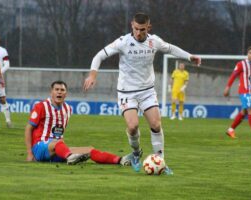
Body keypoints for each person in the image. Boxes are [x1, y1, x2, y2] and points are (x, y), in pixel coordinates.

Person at [83, 13, 201, 173]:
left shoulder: (154, 41)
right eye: (136, 29)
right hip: (126, 91)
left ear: (148, 27)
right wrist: (92, 75)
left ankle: (160, 160)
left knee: (156, 124)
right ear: (132, 25)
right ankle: (136, 153)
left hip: (147, 91)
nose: (139, 33)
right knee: (132, 127)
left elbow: (171, 48)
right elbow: (99, 55)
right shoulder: (123, 42)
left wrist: (189, 57)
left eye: (143, 30)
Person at [25, 80, 133, 165]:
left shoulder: (68, 109)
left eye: (62, 90)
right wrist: (30, 153)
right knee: (58, 143)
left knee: (90, 150)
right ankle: (70, 157)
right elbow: (28, 128)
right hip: (40, 148)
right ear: (51, 92)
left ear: (66, 93)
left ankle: (120, 160)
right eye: (56, 89)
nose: (59, 92)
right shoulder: (41, 106)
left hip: (58, 150)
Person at [224, 46, 251, 140]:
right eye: (250, 53)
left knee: (244, 112)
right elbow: (233, 75)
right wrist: (228, 87)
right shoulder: (241, 64)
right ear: (247, 54)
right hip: (244, 91)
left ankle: (230, 130)